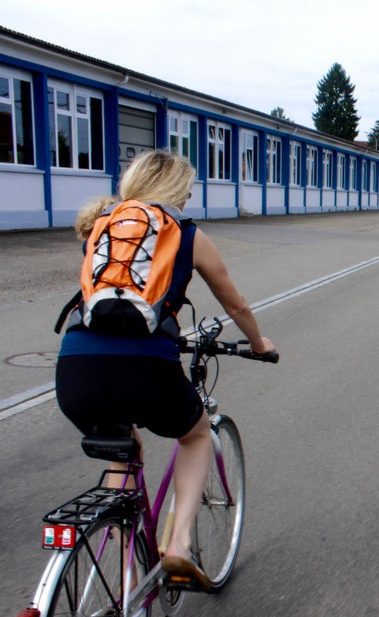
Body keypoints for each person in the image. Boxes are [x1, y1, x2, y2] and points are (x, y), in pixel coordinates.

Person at [55, 149, 277, 592]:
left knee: (121, 452)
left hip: (75, 368)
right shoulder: (186, 234)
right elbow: (235, 303)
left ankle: (128, 575)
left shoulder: (101, 227)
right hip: (145, 367)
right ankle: (177, 544)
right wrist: (259, 343)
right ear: (177, 190)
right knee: (195, 435)